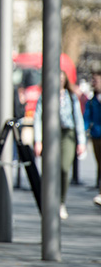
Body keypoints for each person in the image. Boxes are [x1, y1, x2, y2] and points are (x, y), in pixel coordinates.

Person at [34, 70, 87, 219]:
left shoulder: (71, 97)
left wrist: (81, 141)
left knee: (64, 168)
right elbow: (37, 118)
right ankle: (50, 201)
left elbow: (78, 119)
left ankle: (61, 202)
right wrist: (38, 141)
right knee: (49, 170)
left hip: (67, 134)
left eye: (62, 79)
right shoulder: (45, 96)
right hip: (50, 134)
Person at [84, 71, 101, 207]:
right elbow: (87, 117)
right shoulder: (92, 100)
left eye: (96, 80)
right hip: (96, 135)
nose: (94, 83)